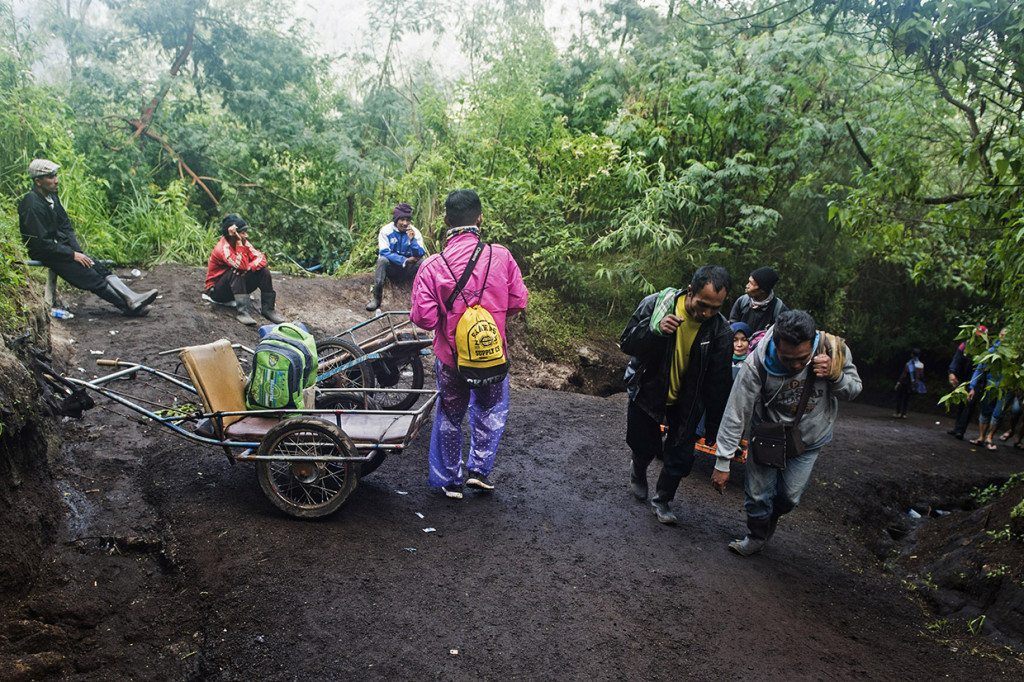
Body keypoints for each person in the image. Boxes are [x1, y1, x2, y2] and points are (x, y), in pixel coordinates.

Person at [711, 310, 862, 556]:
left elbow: (853, 390)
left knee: (789, 498)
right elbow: (736, 412)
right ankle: (756, 535)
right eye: (787, 358)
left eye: (802, 359)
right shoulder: (756, 363)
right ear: (775, 344)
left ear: (812, 344)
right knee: (758, 495)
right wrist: (723, 461)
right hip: (769, 434)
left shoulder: (833, 349)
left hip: (811, 437)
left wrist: (836, 376)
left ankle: (769, 518)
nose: (794, 366)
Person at [410, 190, 528, 499]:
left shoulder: (432, 266)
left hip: (451, 358)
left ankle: (451, 480)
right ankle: (479, 471)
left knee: (450, 414)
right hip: (491, 354)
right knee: (490, 409)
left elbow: (423, 318)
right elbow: (518, 301)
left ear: (446, 221)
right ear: (480, 219)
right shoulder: (501, 256)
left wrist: (451, 320)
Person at [620, 266, 733, 524]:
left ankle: (663, 500)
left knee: (680, 455)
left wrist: (714, 426)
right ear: (690, 291)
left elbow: (719, 382)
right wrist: (655, 330)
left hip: (689, 400)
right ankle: (638, 468)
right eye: (703, 305)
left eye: (715, 308)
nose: (707, 313)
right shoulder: (657, 305)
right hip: (648, 389)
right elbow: (627, 342)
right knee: (644, 445)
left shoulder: (720, 331)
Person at [18, 159, 157, 316]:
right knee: (90, 277)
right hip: (46, 252)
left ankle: (132, 297)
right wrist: (72, 254)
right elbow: (41, 243)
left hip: (60, 247)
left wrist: (77, 251)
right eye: (50, 177)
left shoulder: (51, 197)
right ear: (38, 181)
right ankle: (129, 307)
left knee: (97, 267)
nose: (56, 180)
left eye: (55, 175)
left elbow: (65, 226)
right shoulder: (31, 205)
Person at [204, 214, 285, 326]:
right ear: (234, 235)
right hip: (217, 291)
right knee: (236, 271)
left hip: (235, 288)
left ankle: (268, 309)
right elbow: (240, 266)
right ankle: (242, 312)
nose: (246, 236)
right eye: (242, 233)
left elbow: (261, 258)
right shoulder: (223, 249)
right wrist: (238, 243)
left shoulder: (245, 243)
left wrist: (250, 267)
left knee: (263, 270)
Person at [366, 202, 427, 311]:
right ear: (396, 219)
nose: (405, 223)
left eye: (407, 220)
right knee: (382, 261)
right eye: (402, 219)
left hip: (408, 270)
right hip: (393, 268)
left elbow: (420, 254)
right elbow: (384, 252)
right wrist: (405, 260)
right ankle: (376, 298)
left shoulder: (415, 232)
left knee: (423, 263)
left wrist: (412, 241)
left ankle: (420, 299)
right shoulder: (386, 231)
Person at [967, 328, 1007, 451]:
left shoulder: (1012, 354)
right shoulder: (991, 351)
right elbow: (979, 369)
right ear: (999, 335)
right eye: (1002, 335)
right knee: (986, 410)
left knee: (998, 414)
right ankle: (981, 437)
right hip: (991, 386)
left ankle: (989, 437)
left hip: (1005, 388)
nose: (1004, 338)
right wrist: (972, 387)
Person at [728, 266, 787, 332]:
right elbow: (732, 328)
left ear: (762, 290)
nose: (747, 286)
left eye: (751, 283)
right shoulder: (742, 302)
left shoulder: (779, 309)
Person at [947, 332, 982, 439]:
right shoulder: (965, 345)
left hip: (976, 381)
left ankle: (961, 431)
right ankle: (957, 427)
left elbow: (980, 370)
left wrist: (973, 386)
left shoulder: (984, 350)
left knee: (969, 404)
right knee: (961, 402)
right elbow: (956, 359)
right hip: (962, 378)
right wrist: (951, 373)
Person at [893, 349, 924, 419]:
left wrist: (898, 383)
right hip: (913, 384)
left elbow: (903, 375)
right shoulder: (921, 365)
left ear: (912, 354)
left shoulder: (909, 364)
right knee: (906, 399)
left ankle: (898, 412)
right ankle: (904, 414)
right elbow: (921, 376)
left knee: (899, 397)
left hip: (905, 383)